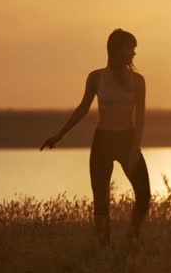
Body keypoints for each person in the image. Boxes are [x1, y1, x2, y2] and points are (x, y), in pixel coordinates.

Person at [40, 28, 150, 246]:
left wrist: (134, 149)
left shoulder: (138, 81)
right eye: (131, 48)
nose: (134, 53)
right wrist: (59, 136)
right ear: (118, 49)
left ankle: (132, 236)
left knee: (144, 196)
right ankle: (104, 247)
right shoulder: (96, 77)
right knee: (101, 202)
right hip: (103, 141)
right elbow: (82, 109)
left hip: (127, 139)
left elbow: (141, 118)